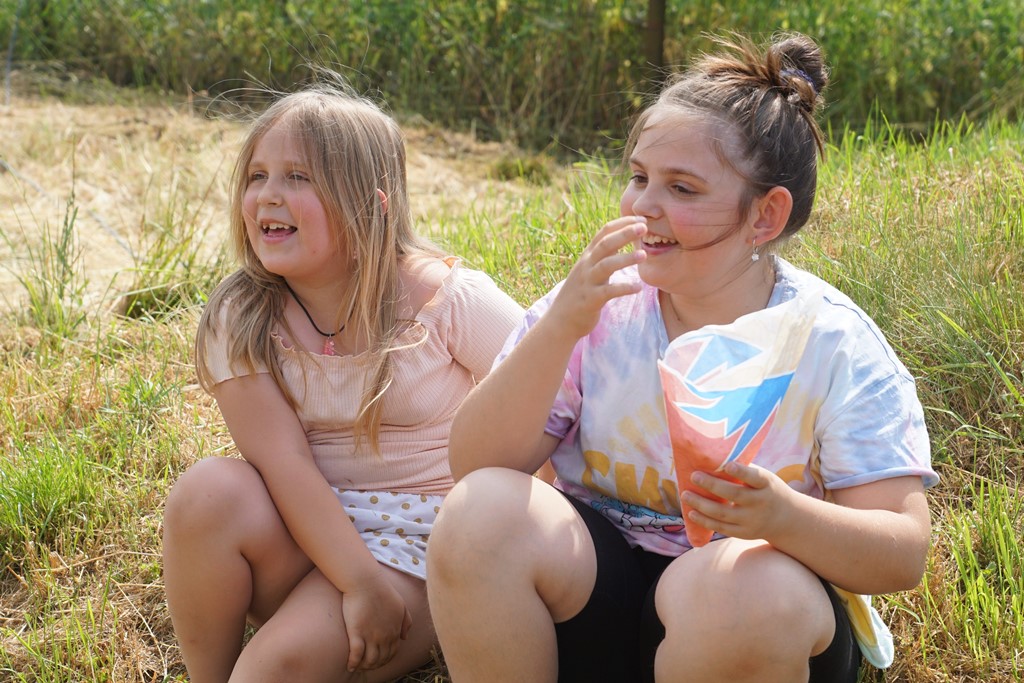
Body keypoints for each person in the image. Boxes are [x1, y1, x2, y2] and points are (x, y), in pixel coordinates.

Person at [426, 33, 936, 683]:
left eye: (683, 188)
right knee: (479, 514)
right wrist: (559, 328)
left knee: (737, 594)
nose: (644, 205)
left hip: (756, 616)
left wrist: (783, 516)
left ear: (764, 216)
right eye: (639, 177)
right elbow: (476, 465)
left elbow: (902, 553)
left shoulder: (830, 342)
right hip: (601, 595)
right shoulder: (597, 310)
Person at [161, 77, 523, 683]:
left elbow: (552, 395)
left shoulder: (446, 300)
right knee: (206, 492)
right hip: (308, 532)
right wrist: (354, 579)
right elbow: (284, 465)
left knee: (274, 670)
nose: (267, 197)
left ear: (371, 203)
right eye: (257, 176)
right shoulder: (242, 314)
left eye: (298, 178)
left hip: (420, 542)